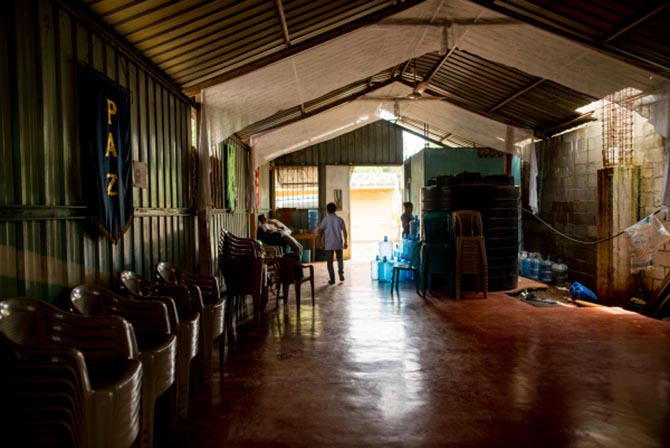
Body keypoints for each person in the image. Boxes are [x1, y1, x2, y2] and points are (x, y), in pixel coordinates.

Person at [318, 202, 348, 285]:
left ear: (327, 210)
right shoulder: (340, 219)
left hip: (329, 243)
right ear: (335, 210)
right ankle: (341, 272)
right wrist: (346, 241)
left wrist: (320, 242)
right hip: (338, 243)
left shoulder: (325, 220)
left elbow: (320, 231)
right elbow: (345, 231)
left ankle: (332, 279)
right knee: (340, 259)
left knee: (330, 262)